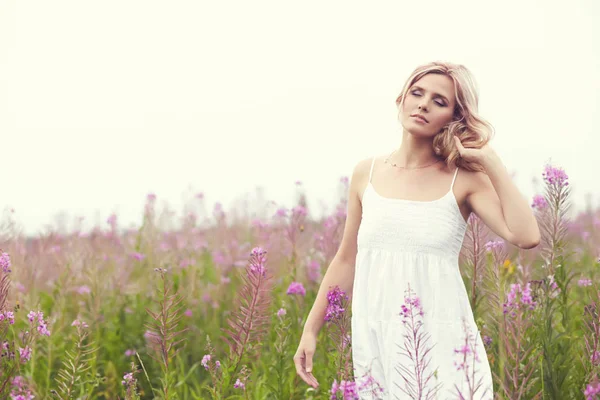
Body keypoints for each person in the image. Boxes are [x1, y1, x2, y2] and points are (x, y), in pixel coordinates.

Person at [293, 61, 541, 399]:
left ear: (455, 118)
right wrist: (311, 329)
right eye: (417, 93)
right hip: (378, 337)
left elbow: (526, 236)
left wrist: (491, 162)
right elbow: (346, 260)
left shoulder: (464, 178)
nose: (424, 104)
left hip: (445, 342)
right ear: (401, 100)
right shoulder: (367, 172)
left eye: (440, 101)